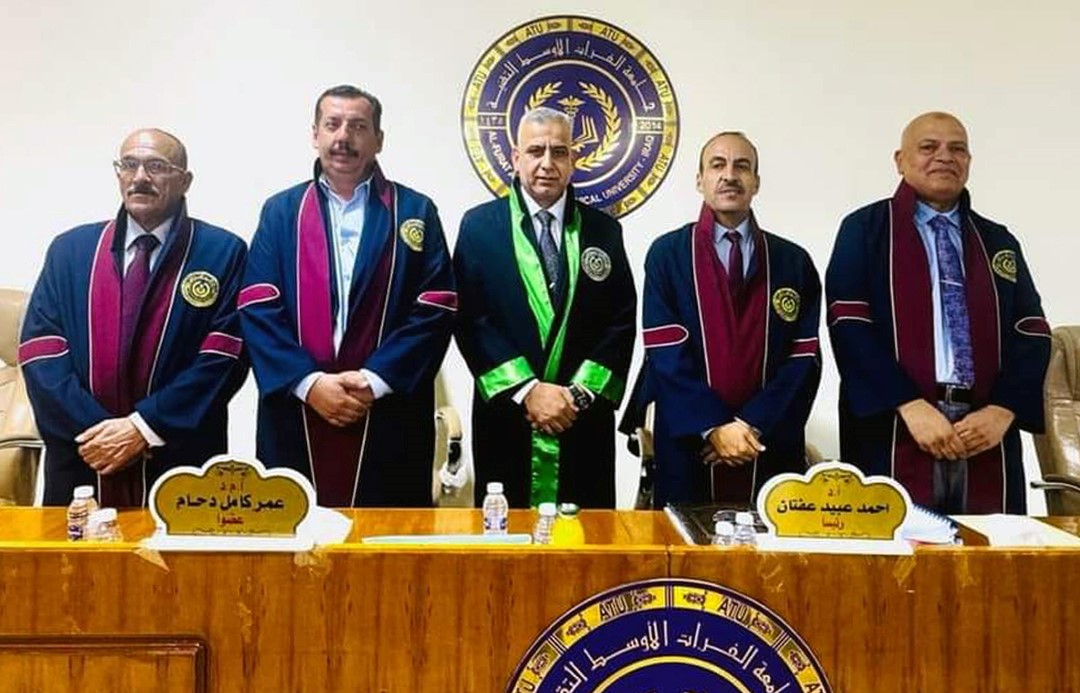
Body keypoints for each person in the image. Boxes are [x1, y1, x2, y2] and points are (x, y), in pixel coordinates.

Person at [241, 85, 455, 507]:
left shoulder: (415, 211)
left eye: (358, 127)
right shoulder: (281, 212)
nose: (343, 137)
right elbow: (258, 304)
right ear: (315, 134)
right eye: (333, 124)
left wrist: (374, 382)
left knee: (388, 537)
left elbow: (437, 306)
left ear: (379, 139)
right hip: (298, 411)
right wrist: (309, 383)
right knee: (298, 533)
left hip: (387, 410)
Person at [826, 111, 1050, 514]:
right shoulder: (865, 230)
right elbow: (849, 325)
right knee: (896, 545)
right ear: (900, 160)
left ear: (969, 161)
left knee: (991, 546)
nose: (945, 157)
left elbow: (1031, 331)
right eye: (928, 147)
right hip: (896, 425)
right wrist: (909, 404)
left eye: (957, 149)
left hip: (984, 431)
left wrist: (1004, 409)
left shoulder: (997, 241)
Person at [20, 129, 249, 506]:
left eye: (157, 166)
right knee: (76, 545)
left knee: (178, 545)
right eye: (129, 164)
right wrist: (99, 433)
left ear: (185, 181)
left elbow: (224, 357)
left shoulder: (222, 252)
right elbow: (41, 351)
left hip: (177, 457)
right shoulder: (70, 252)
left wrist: (144, 428)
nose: (140, 177)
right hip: (85, 456)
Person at [454, 107, 635, 508]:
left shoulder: (604, 230)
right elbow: (471, 320)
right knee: (507, 532)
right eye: (536, 151)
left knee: (586, 534)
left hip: (581, 420)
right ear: (515, 158)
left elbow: (620, 321)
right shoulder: (480, 227)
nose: (547, 163)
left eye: (559, 151)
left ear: (573, 160)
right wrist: (528, 391)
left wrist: (577, 396)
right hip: (509, 416)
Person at [634, 131, 821, 507]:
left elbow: (803, 359)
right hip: (690, 444)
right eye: (717, 165)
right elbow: (665, 354)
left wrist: (750, 427)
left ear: (756, 182)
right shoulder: (668, 255)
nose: (730, 175)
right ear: (699, 180)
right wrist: (714, 428)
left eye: (742, 166)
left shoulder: (792, 261)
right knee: (683, 542)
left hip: (765, 443)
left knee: (769, 540)